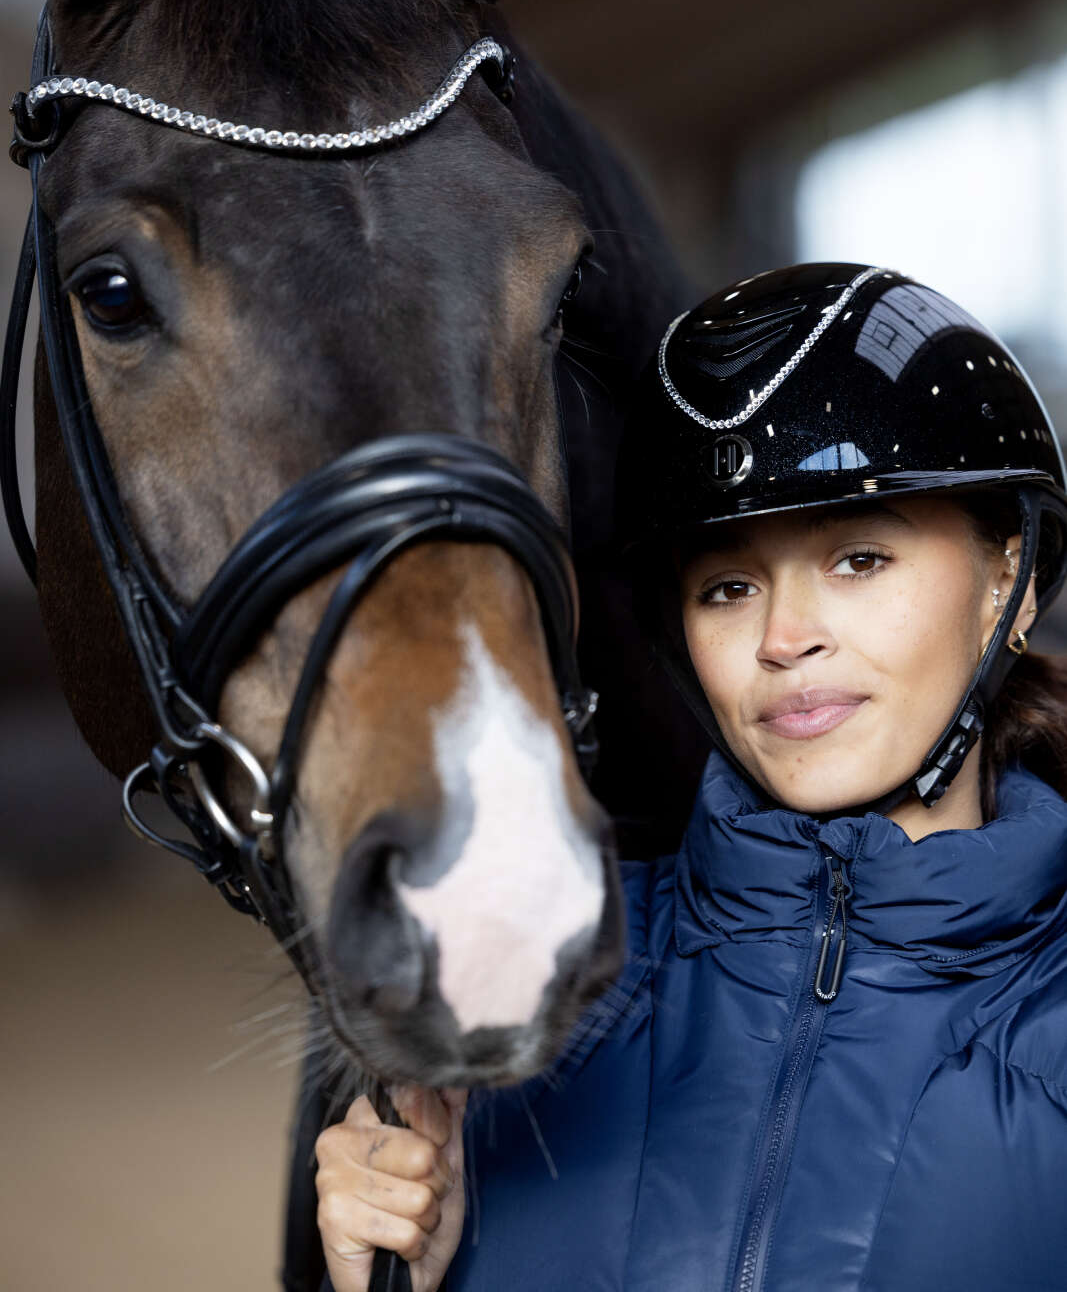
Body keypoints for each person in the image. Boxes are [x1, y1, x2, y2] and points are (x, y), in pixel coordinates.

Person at [314, 262, 1067, 1292]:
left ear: (1005, 580)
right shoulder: (538, 982)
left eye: (857, 559)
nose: (782, 638)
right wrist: (413, 1272)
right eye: (727, 585)